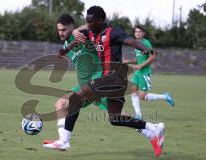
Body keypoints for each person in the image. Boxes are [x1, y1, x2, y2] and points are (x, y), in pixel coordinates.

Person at [45, 6, 165, 157]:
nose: (88, 25)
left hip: (109, 77)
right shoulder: (89, 33)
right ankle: (154, 129)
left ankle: (64, 141)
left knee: (74, 100)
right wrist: (65, 50)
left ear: (101, 21)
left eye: (91, 22)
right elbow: (78, 38)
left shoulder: (112, 32)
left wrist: (145, 49)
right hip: (107, 81)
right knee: (115, 118)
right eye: (87, 22)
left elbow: (131, 41)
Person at [42, 13, 108, 151]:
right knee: (61, 104)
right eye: (59, 30)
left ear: (72, 27)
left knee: (119, 117)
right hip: (85, 83)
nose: (61, 33)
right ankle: (63, 141)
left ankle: (151, 129)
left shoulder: (82, 34)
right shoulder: (67, 42)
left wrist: (78, 30)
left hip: (99, 80)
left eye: (64, 29)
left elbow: (95, 25)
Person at [124, 25, 174, 120]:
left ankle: (165, 96)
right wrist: (129, 61)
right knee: (133, 92)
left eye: (139, 31)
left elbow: (153, 56)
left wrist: (141, 66)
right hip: (138, 73)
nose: (137, 33)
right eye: (136, 31)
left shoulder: (146, 43)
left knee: (142, 96)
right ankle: (138, 115)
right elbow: (139, 59)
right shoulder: (136, 44)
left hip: (144, 73)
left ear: (143, 33)